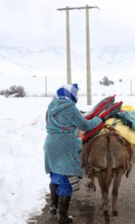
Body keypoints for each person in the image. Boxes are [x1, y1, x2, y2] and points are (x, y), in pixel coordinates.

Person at [44, 83, 102, 224]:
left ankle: (54, 205)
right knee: (66, 180)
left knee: (55, 174)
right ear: (71, 95)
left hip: (50, 143)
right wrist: (98, 120)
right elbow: (85, 126)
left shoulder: (51, 106)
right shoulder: (70, 107)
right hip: (65, 144)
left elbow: (49, 122)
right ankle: (62, 216)